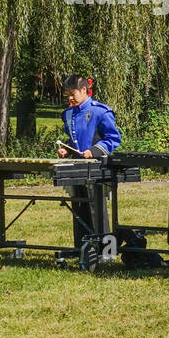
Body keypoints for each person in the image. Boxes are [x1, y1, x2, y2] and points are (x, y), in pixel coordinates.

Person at [59, 74, 122, 252]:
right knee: (79, 206)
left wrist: (93, 151)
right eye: (68, 95)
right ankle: (83, 248)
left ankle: (107, 251)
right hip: (76, 167)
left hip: (97, 167)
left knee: (97, 208)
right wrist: (68, 149)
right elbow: (75, 140)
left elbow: (113, 139)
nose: (70, 98)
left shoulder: (100, 111)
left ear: (84, 90)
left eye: (73, 94)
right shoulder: (69, 113)